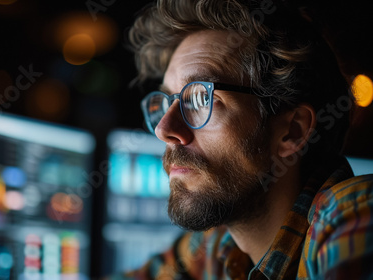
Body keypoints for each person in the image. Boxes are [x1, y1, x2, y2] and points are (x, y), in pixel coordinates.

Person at [112, 0, 373, 279]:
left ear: (292, 131)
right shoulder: (218, 248)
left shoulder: (354, 214)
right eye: (167, 103)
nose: (163, 129)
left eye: (202, 98)